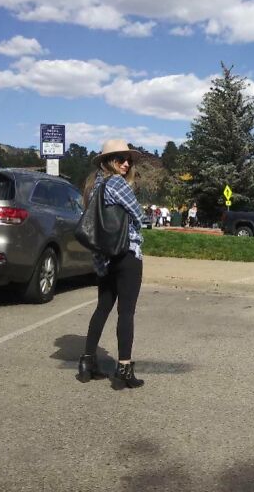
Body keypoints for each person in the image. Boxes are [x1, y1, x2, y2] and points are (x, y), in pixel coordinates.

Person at [77, 139, 146, 389]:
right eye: (120, 159)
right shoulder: (116, 182)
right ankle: (124, 369)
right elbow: (138, 214)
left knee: (102, 308)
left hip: (103, 257)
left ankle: (87, 362)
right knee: (126, 312)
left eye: (128, 159)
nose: (126, 163)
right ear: (109, 161)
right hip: (126, 253)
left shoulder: (92, 185)